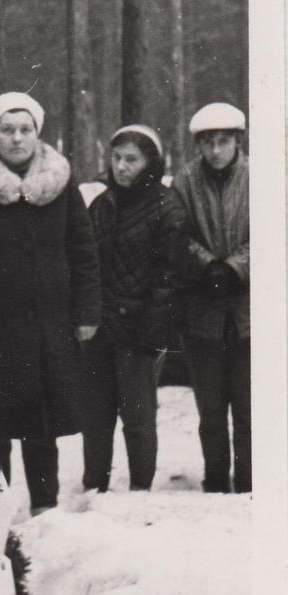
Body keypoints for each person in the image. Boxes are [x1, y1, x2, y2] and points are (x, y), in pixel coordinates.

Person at [0, 92, 100, 514]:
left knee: (42, 426)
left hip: (48, 328)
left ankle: (45, 507)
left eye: (25, 129)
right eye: (7, 130)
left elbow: (83, 252)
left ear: (37, 134)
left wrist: (86, 313)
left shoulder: (60, 185)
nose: (17, 138)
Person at [81, 125, 188, 493]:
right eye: (116, 158)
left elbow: (167, 279)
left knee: (138, 418)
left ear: (150, 163)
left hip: (139, 331)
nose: (122, 167)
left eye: (132, 159)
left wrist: (149, 334)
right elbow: (87, 265)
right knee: (96, 417)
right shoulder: (102, 202)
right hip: (99, 328)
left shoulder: (168, 208)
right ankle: (94, 488)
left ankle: (140, 492)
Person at [171, 102, 250, 493]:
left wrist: (237, 266)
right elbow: (175, 234)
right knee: (212, 407)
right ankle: (216, 480)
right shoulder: (185, 182)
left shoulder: (259, 176)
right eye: (208, 143)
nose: (216, 151)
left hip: (249, 310)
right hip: (202, 310)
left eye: (223, 142)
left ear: (238, 140)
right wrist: (205, 266)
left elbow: (273, 226)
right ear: (198, 145)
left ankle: (251, 479)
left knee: (249, 404)